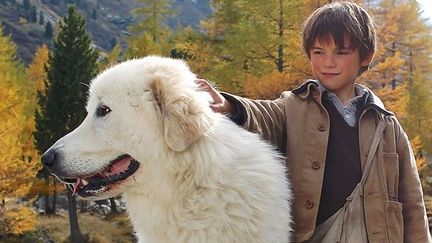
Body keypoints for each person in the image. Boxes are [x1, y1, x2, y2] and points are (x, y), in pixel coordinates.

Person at [197, 1, 431, 242]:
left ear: (366, 56)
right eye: (319, 52)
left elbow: (413, 205)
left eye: (340, 52)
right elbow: (262, 114)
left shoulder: (388, 127)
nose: (328, 62)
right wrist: (229, 105)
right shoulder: (294, 106)